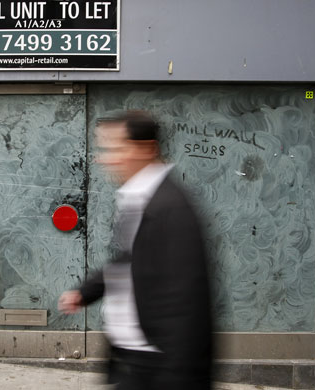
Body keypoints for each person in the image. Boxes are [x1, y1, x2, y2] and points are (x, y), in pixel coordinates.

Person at [59, 110, 213, 390]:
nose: (106, 158)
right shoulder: (141, 198)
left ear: (146, 149)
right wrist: (86, 292)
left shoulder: (170, 207)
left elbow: (187, 302)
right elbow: (129, 261)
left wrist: (177, 377)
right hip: (132, 359)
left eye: (117, 148)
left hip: (158, 367)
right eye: (105, 149)